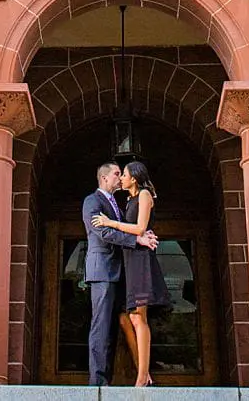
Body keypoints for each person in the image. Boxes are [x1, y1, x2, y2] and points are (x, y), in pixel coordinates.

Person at [91, 160, 171, 387]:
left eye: (123, 174)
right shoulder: (128, 200)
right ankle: (143, 373)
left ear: (134, 178)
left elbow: (139, 229)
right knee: (126, 318)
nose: (121, 178)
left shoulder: (144, 195)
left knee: (138, 317)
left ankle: (143, 375)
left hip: (140, 260)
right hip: (128, 261)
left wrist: (110, 222)